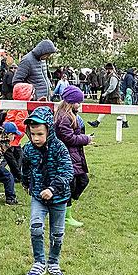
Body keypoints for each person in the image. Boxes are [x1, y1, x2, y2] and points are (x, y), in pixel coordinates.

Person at [20, 107, 74, 275]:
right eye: (33, 134)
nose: (36, 138)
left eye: (40, 134)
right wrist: (26, 182)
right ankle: (39, 262)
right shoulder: (28, 149)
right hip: (38, 196)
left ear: (49, 131)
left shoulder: (59, 148)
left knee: (57, 234)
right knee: (36, 227)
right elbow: (26, 167)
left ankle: (53, 263)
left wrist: (52, 189)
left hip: (59, 198)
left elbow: (67, 172)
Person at [53, 86, 92, 229]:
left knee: (82, 181)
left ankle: (64, 205)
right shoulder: (64, 117)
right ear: (71, 101)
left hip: (75, 154)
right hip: (67, 155)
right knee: (71, 185)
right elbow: (68, 138)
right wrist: (86, 139)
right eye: (78, 102)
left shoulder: (72, 115)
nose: (80, 105)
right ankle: (65, 214)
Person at [4, 82, 33, 180]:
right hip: (14, 138)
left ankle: (16, 175)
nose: (32, 96)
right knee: (10, 158)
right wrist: (27, 127)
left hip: (14, 137)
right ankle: (13, 174)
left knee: (18, 156)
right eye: (31, 94)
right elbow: (19, 123)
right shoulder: (22, 109)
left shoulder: (14, 106)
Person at [89, 63, 120, 128]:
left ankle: (125, 122)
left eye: (107, 69)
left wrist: (105, 93)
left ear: (110, 70)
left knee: (119, 109)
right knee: (105, 109)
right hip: (110, 96)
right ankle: (97, 122)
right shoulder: (108, 76)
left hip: (114, 96)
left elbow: (112, 87)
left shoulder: (113, 77)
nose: (106, 71)